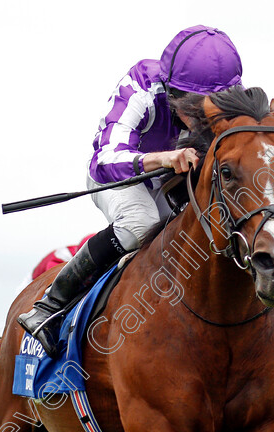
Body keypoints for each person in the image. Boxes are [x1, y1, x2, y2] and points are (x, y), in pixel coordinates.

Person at [18, 25, 244, 356]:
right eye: (194, 107)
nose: (202, 120)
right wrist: (166, 157)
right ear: (170, 91)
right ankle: (49, 308)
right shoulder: (140, 88)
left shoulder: (230, 102)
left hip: (171, 185)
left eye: (212, 107)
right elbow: (105, 160)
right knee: (140, 222)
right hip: (119, 178)